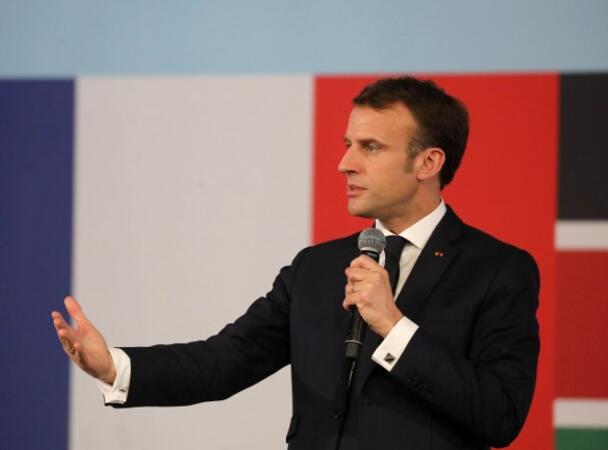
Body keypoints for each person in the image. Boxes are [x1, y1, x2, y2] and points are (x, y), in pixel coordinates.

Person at [51, 76, 540, 450]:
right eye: (348, 145)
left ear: (427, 163)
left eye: (370, 147)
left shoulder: (498, 270)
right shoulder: (316, 268)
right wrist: (115, 366)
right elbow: (224, 361)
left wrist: (394, 328)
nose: (345, 163)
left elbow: (500, 415)